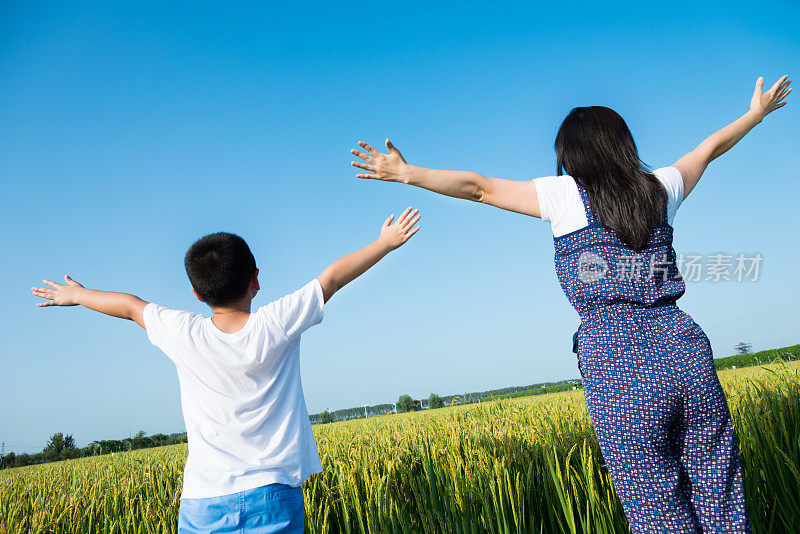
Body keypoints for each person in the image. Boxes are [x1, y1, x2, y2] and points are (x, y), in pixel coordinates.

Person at [349, 75, 791, 533]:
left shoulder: (565, 196)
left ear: (571, 155)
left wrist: (408, 173)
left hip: (619, 365)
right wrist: (755, 115)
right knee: (720, 496)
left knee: (658, 509)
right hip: (686, 350)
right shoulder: (659, 188)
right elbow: (709, 148)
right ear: (623, 144)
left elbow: (478, 187)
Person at [31, 208, 421, 533]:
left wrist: (77, 295)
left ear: (197, 293)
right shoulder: (276, 324)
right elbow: (332, 277)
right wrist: (385, 243)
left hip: (203, 501)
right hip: (273, 496)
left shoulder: (183, 332)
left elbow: (132, 306)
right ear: (255, 278)